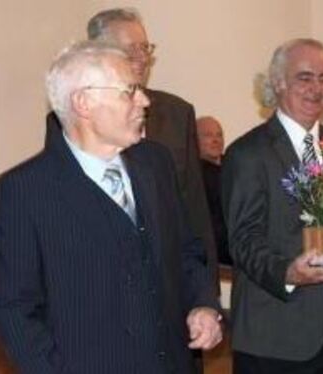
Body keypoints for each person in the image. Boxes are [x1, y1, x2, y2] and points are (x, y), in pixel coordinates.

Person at [0, 41, 222, 374]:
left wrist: (203, 304)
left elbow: (186, 251)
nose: (145, 100)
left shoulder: (156, 164)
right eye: (130, 91)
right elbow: (13, 307)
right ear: (84, 102)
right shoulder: (24, 191)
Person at [221, 38, 323, 373]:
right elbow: (243, 241)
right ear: (278, 82)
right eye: (305, 77)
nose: (317, 88)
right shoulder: (247, 154)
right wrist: (288, 272)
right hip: (276, 332)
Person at [86, 8, 220, 298]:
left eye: (145, 48)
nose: (143, 57)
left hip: (173, 285)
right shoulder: (78, 117)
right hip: (107, 286)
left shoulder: (176, 113)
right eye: (130, 49)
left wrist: (206, 295)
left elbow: (194, 208)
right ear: (97, 54)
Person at [196, 116, 231, 265]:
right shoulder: (194, 174)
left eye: (219, 135)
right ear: (194, 140)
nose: (216, 140)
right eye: (208, 135)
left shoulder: (235, 164)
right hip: (217, 246)